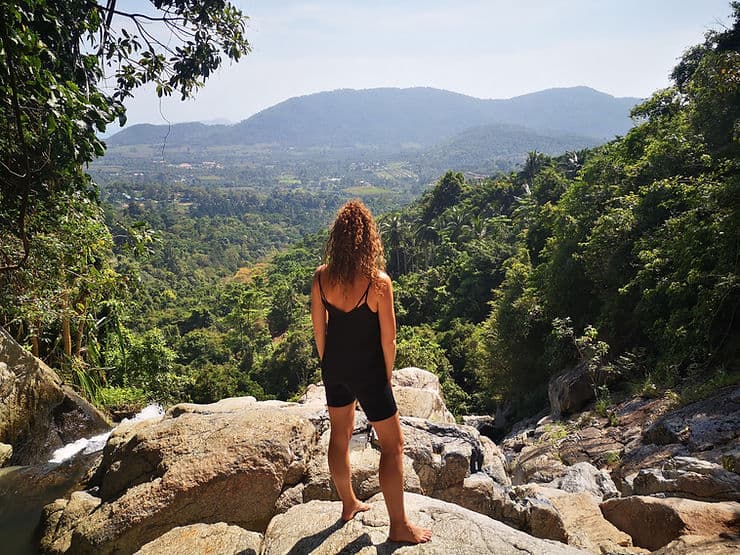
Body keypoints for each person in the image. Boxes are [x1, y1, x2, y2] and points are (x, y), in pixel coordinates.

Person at [311, 200, 432, 544]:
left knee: (339, 436)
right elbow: (389, 339)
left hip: (334, 367)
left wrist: (329, 364)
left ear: (336, 238)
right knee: (393, 447)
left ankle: (348, 503)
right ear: (368, 240)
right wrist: (385, 378)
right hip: (369, 373)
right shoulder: (378, 283)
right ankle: (398, 526)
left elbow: (320, 330)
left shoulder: (322, 278)